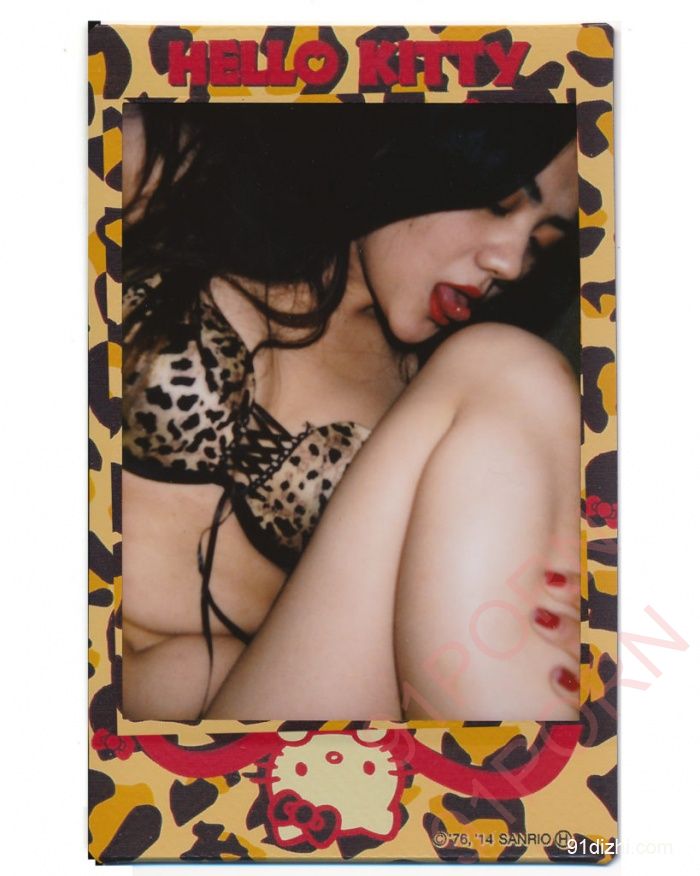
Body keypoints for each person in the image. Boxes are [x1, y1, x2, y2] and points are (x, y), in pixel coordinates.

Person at [121, 102, 581, 723]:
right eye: (499, 205)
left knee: (507, 367)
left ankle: (527, 768)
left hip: (220, 717)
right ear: (426, 153)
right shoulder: (179, 172)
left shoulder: (434, 409)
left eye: (542, 242)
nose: (511, 262)